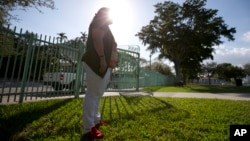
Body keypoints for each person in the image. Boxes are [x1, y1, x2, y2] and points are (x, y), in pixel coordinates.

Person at [81, 7, 117, 139]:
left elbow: (110, 45)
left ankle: (95, 121)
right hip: (95, 61)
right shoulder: (99, 21)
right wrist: (102, 59)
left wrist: (110, 62)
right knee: (92, 93)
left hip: (103, 63)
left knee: (97, 94)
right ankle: (88, 128)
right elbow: (97, 39)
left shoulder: (104, 24)